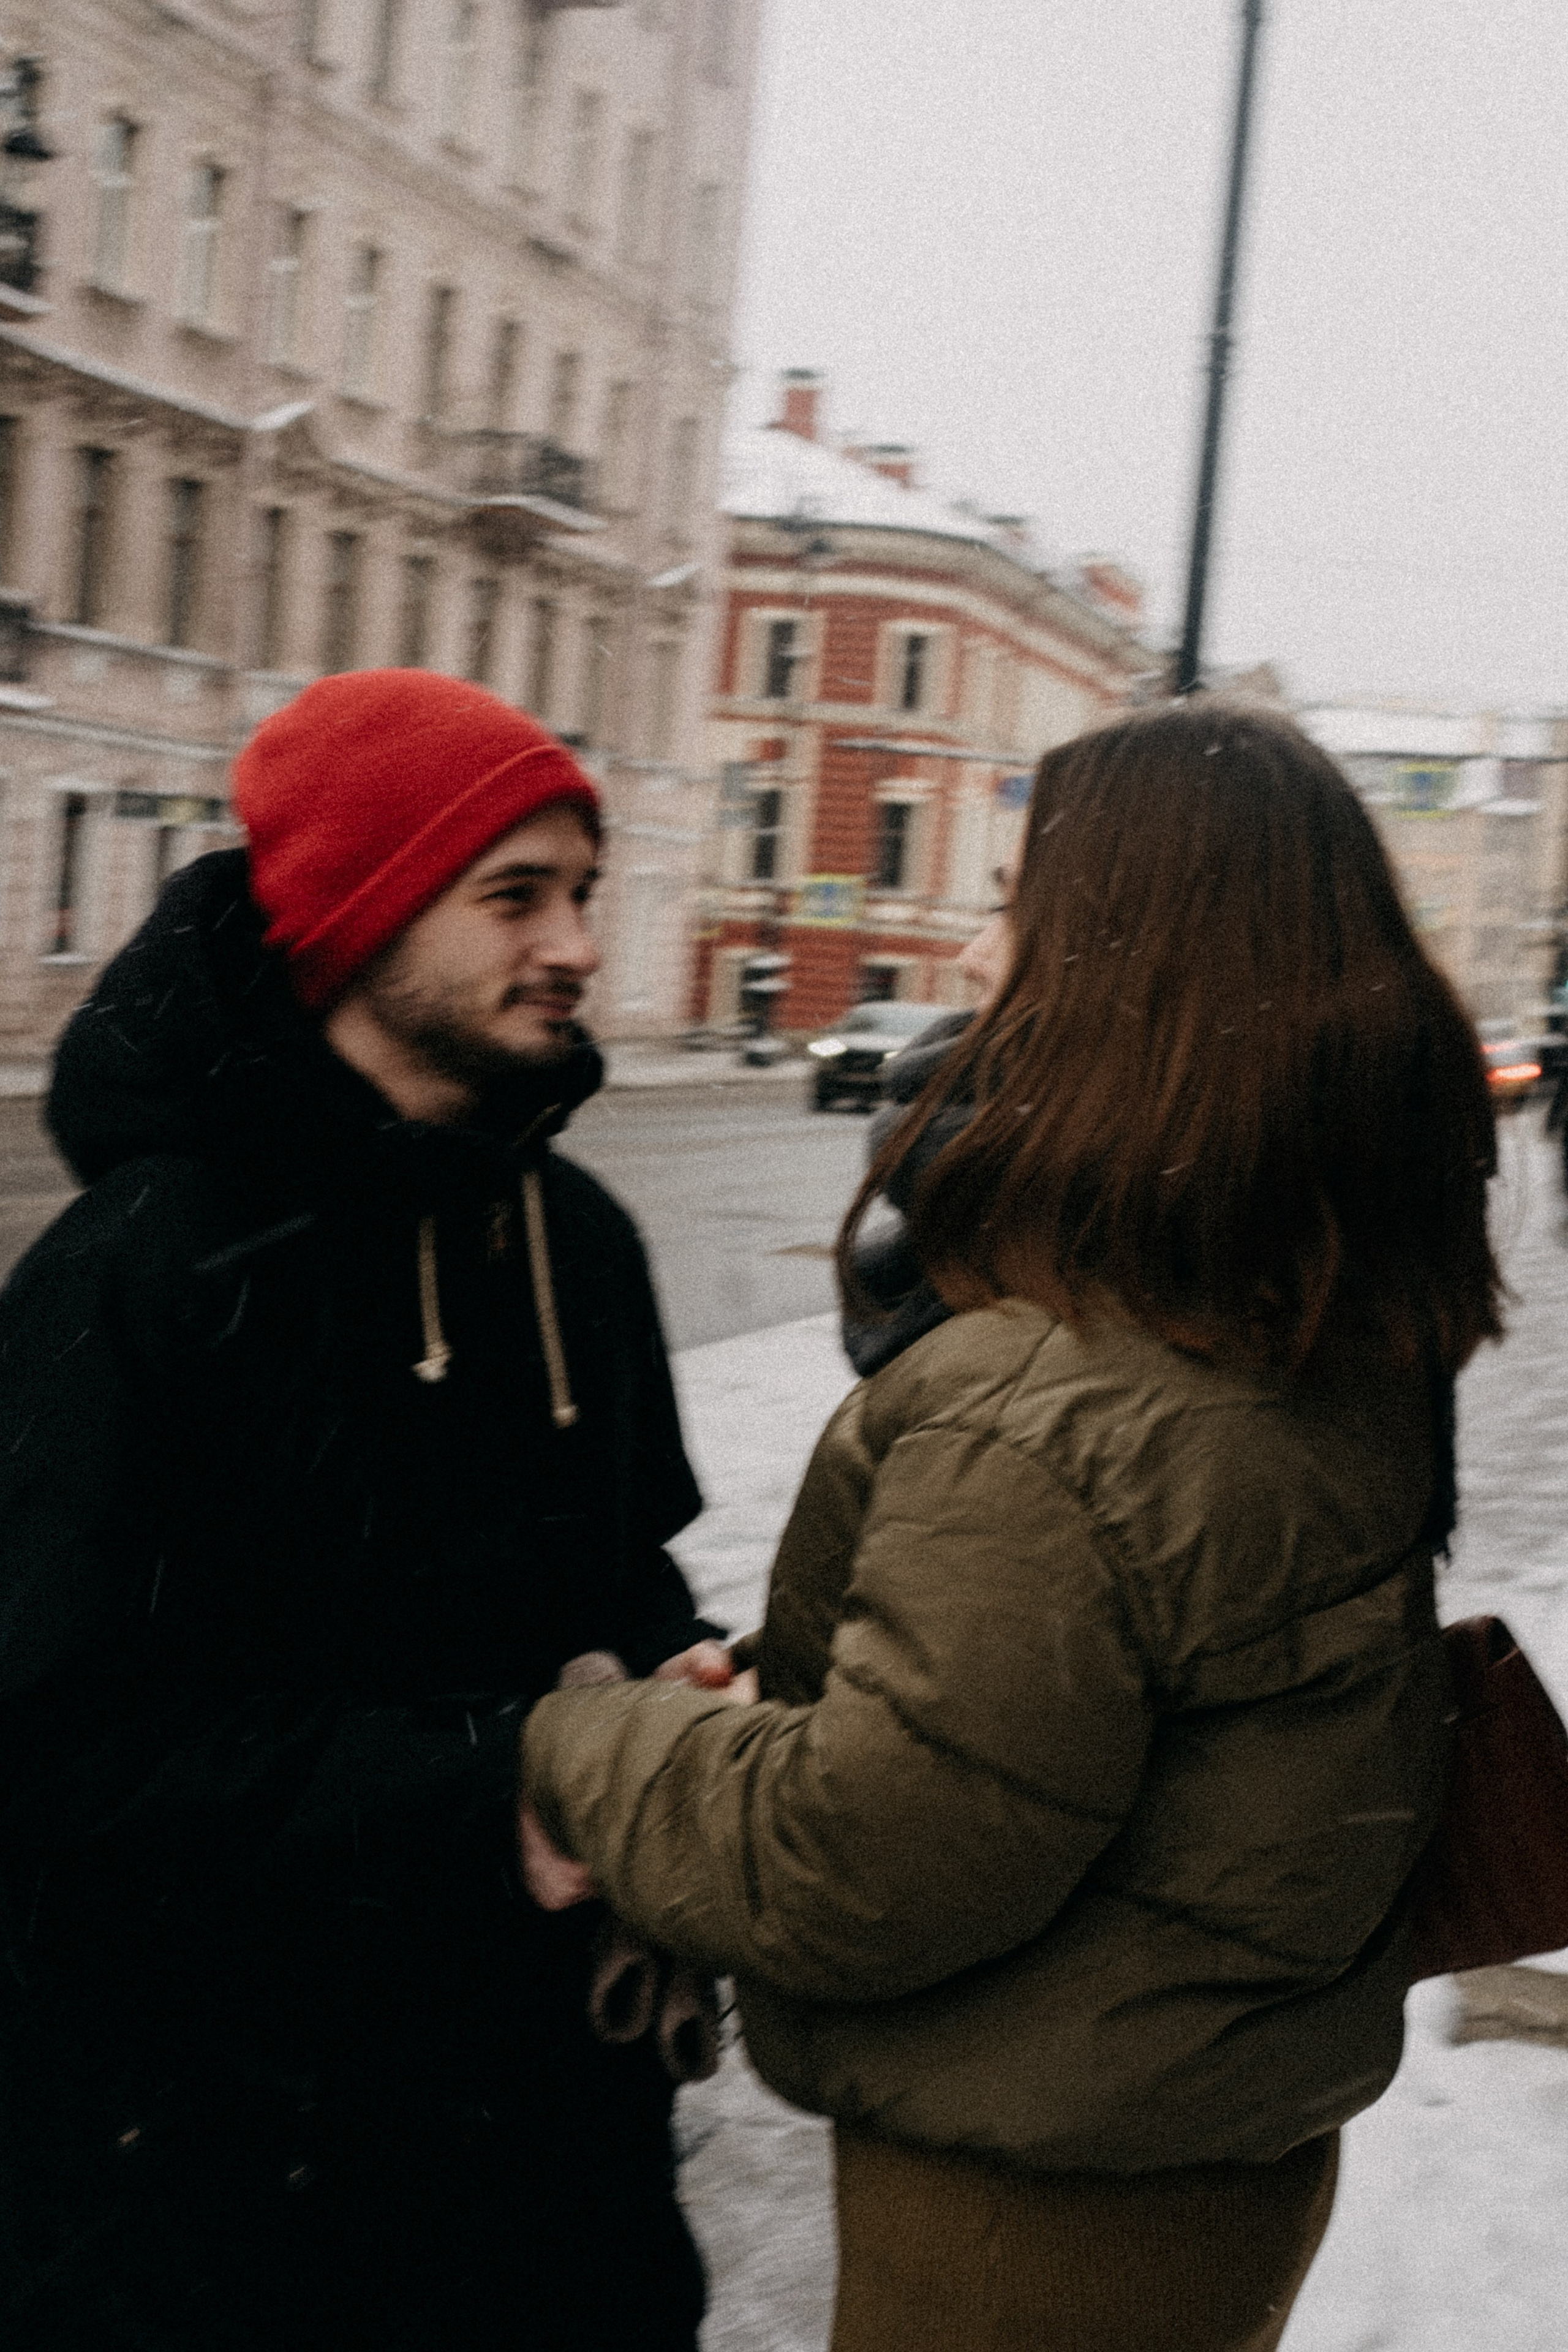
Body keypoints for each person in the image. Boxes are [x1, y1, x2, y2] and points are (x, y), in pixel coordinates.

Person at [521, 704, 1502, 2352]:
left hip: (1038, 2194)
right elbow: (1103, 1689)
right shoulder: (1308, 1308)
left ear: (1121, 970)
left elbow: (869, 1856)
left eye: (1009, 911)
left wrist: (580, 1737)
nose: (973, 959)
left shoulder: (1046, 1397)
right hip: (1209, 2139)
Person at [0, 669, 726, 2351]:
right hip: (215, 2201)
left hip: (550, 2168)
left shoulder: (579, 1245)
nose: (577, 947)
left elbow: (624, 1582)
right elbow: (52, 1762)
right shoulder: (141, 1272)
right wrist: (496, 1799)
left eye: (584, 895)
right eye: (514, 897)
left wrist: (675, 1693)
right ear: (359, 917)